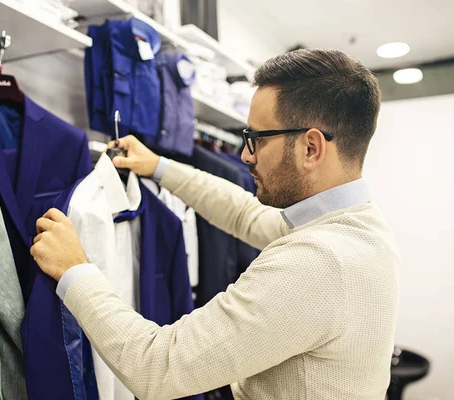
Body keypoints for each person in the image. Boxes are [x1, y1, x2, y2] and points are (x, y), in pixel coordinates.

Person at [30, 49, 400, 400]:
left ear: (311, 149)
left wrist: (75, 269)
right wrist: (158, 167)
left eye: (256, 139)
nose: (244, 155)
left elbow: (158, 368)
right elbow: (243, 213)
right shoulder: (359, 226)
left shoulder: (317, 263)